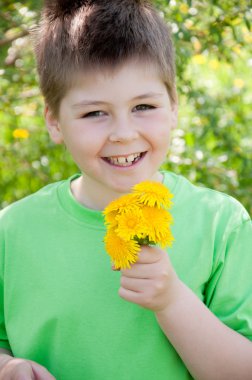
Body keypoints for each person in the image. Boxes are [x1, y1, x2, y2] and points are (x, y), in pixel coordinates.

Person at [0, 0, 251, 379]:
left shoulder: (222, 224)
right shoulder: (12, 232)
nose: (123, 134)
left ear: (173, 107)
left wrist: (171, 301)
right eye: (94, 113)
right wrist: (9, 367)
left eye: (144, 106)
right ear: (54, 122)